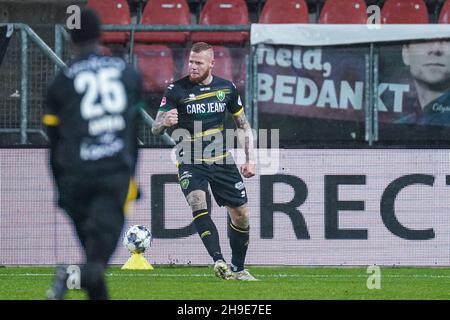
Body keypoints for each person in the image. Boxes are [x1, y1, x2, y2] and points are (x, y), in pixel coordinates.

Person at [44, 8, 143, 299]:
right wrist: (130, 177)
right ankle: (68, 275)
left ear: (71, 38)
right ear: (101, 35)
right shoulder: (127, 73)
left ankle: (79, 275)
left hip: (76, 179)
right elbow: (132, 135)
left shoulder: (60, 82)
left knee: (93, 260)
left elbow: (54, 145)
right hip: (112, 174)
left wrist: (60, 188)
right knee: (96, 263)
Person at [152, 42, 257, 281]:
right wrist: (164, 122)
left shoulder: (227, 88)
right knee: (198, 202)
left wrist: (250, 159)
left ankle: (239, 269)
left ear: (211, 64)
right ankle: (219, 261)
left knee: (241, 214)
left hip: (221, 160)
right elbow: (155, 127)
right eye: (190, 61)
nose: (193, 66)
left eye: (199, 62)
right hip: (190, 160)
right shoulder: (175, 90)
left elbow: (243, 125)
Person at [396, 39, 450, 126]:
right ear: (406, 53)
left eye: (447, 39)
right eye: (425, 39)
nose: (436, 49)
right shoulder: (400, 126)